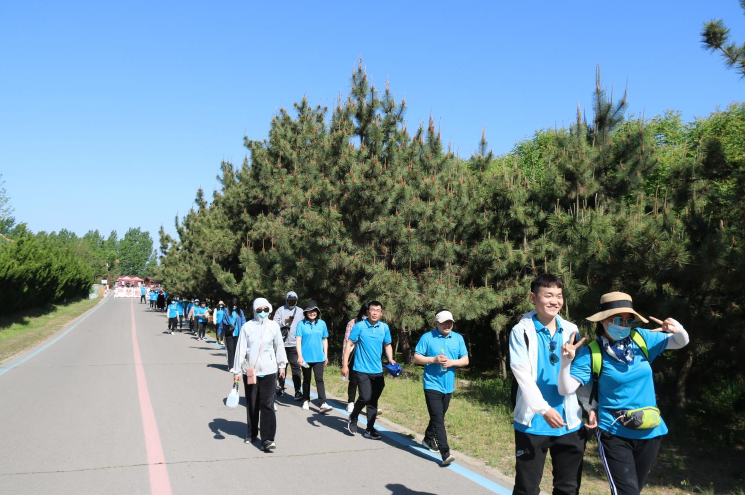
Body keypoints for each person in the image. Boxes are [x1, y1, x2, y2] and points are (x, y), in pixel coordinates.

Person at [558, 292, 689, 495]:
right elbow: (566, 388)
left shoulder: (642, 339)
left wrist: (677, 329)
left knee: (631, 490)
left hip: (651, 431)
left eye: (629, 320)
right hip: (615, 432)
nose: (624, 325)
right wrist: (566, 361)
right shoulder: (592, 352)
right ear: (603, 321)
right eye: (618, 319)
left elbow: (681, 342)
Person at [510, 274, 594, 495]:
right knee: (526, 489)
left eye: (559, 296)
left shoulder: (571, 330)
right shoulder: (522, 331)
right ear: (533, 298)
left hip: (569, 422)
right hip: (532, 422)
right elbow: (522, 375)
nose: (554, 301)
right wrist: (543, 409)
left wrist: (589, 406)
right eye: (548, 295)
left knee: (568, 488)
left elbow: (580, 374)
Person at [230, 297, 287, 452]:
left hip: (269, 371)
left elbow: (279, 347)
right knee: (252, 403)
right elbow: (240, 350)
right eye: (259, 310)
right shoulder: (247, 327)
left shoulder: (274, 326)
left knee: (267, 403)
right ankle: (252, 432)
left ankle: (268, 438)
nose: (263, 312)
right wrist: (236, 371)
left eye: (266, 309)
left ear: (269, 309)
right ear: (254, 310)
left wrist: (282, 366)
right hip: (250, 371)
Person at [413, 309, 469, 466]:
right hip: (431, 384)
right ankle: (445, 453)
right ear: (436, 323)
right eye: (444, 322)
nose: (448, 325)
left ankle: (427, 439)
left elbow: (465, 360)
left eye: (450, 322)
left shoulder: (457, 338)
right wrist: (434, 359)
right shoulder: (427, 337)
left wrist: (452, 362)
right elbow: (416, 357)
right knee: (438, 418)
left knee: (439, 416)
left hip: (448, 386)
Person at [341, 300, 396, 439]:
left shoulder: (384, 328)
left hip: (377, 370)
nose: (375, 313)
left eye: (378, 310)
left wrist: (390, 359)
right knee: (365, 397)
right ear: (368, 312)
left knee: (373, 400)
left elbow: (388, 345)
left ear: (381, 313)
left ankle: (369, 429)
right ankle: (353, 416)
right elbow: (349, 344)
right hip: (361, 368)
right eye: (372, 310)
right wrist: (345, 364)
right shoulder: (359, 326)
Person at [295, 300, 333, 413]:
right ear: (306, 313)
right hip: (306, 359)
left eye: (314, 311)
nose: (312, 313)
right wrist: (299, 356)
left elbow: (325, 339)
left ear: (317, 312)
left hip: (319, 358)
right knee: (307, 379)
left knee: (319, 379)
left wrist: (326, 355)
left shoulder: (322, 324)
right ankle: (306, 399)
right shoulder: (301, 324)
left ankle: (323, 403)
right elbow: (298, 341)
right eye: (309, 311)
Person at [273, 291, 303, 400]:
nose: (291, 303)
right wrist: (284, 322)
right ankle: (280, 387)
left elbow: (304, 326)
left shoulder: (300, 311)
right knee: (282, 366)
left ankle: (297, 390)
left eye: (293, 301)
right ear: (286, 300)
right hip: (282, 343)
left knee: (296, 367)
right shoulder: (280, 310)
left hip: (294, 344)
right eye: (289, 301)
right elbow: (274, 324)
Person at [342, 303, 368, 412]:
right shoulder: (353, 322)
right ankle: (351, 402)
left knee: (369, 381)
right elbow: (347, 342)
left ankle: (370, 404)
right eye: (367, 311)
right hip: (355, 354)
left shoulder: (377, 324)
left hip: (368, 356)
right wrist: (345, 360)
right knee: (353, 380)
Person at [222, 298, 246, 370]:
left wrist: (244, 331)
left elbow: (243, 322)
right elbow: (223, 321)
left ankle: (237, 365)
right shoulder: (226, 311)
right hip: (229, 333)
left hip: (238, 333)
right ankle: (231, 366)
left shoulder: (240, 312)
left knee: (237, 350)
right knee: (230, 350)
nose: (234, 306)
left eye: (236, 305)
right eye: (233, 304)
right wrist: (229, 325)